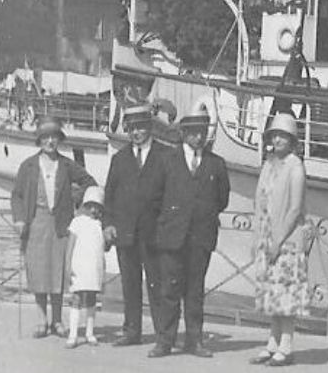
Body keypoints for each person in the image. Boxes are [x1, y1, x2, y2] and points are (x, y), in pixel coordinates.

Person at [152, 108, 231, 358]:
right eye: (193, 133)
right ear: (183, 134)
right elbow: (155, 198)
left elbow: (222, 199)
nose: (198, 138)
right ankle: (165, 341)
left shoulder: (215, 164)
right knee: (169, 290)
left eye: (202, 133)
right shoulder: (167, 160)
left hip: (200, 237)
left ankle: (194, 341)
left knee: (195, 291)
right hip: (172, 236)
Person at [12, 118, 95, 339]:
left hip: (60, 224)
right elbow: (17, 195)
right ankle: (42, 320)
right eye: (46, 137)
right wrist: (20, 219)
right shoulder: (28, 166)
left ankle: (57, 320)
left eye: (54, 137)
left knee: (58, 271)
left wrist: (79, 202)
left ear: (59, 140)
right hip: (36, 223)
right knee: (39, 271)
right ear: (39, 141)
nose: (50, 141)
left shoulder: (66, 165)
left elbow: (89, 182)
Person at [103, 104, 167, 346]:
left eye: (141, 127)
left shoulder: (165, 156)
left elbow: (172, 195)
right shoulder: (119, 159)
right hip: (126, 232)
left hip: (154, 234)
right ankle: (132, 331)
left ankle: (163, 333)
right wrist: (108, 224)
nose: (137, 133)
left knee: (157, 284)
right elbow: (109, 195)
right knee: (130, 284)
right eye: (132, 129)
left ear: (149, 128)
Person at [251, 112, 310, 367]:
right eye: (274, 135)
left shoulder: (295, 166)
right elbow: (260, 201)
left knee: (285, 294)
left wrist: (277, 240)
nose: (277, 140)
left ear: (292, 140)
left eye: (283, 136)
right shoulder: (269, 164)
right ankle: (272, 342)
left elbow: (295, 208)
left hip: (286, 238)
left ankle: (286, 344)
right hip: (267, 234)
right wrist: (258, 238)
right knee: (272, 293)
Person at [63, 186, 108, 348]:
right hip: (79, 266)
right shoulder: (77, 222)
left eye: (97, 207)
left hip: (93, 267)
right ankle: (73, 334)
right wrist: (67, 265)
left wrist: (103, 270)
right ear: (85, 206)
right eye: (91, 206)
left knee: (91, 299)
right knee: (76, 298)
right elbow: (70, 245)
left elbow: (101, 250)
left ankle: (90, 333)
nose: (94, 210)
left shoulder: (99, 225)